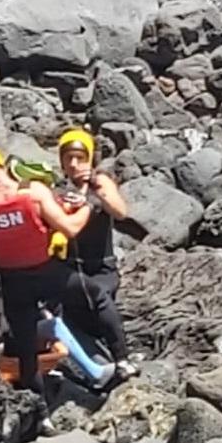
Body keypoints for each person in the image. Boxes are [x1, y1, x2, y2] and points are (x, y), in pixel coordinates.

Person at [0, 140, 90, 430]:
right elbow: (66, 227)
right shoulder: (31, 190)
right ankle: (118, 362)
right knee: (94, 295)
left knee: (27, 352)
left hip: (13, 283)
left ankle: (41, 415)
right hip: (45, 272)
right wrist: (87, 206)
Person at [54, 128, 138, 379]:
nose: (74, 164)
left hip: (101, 267)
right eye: (68, 158)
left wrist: (93, 194)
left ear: (90, 158)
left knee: (97, 294)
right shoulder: (58, 189)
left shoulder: (100, 181)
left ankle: (122, 359)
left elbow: (120, 212)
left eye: (80, 158)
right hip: (70, 267)